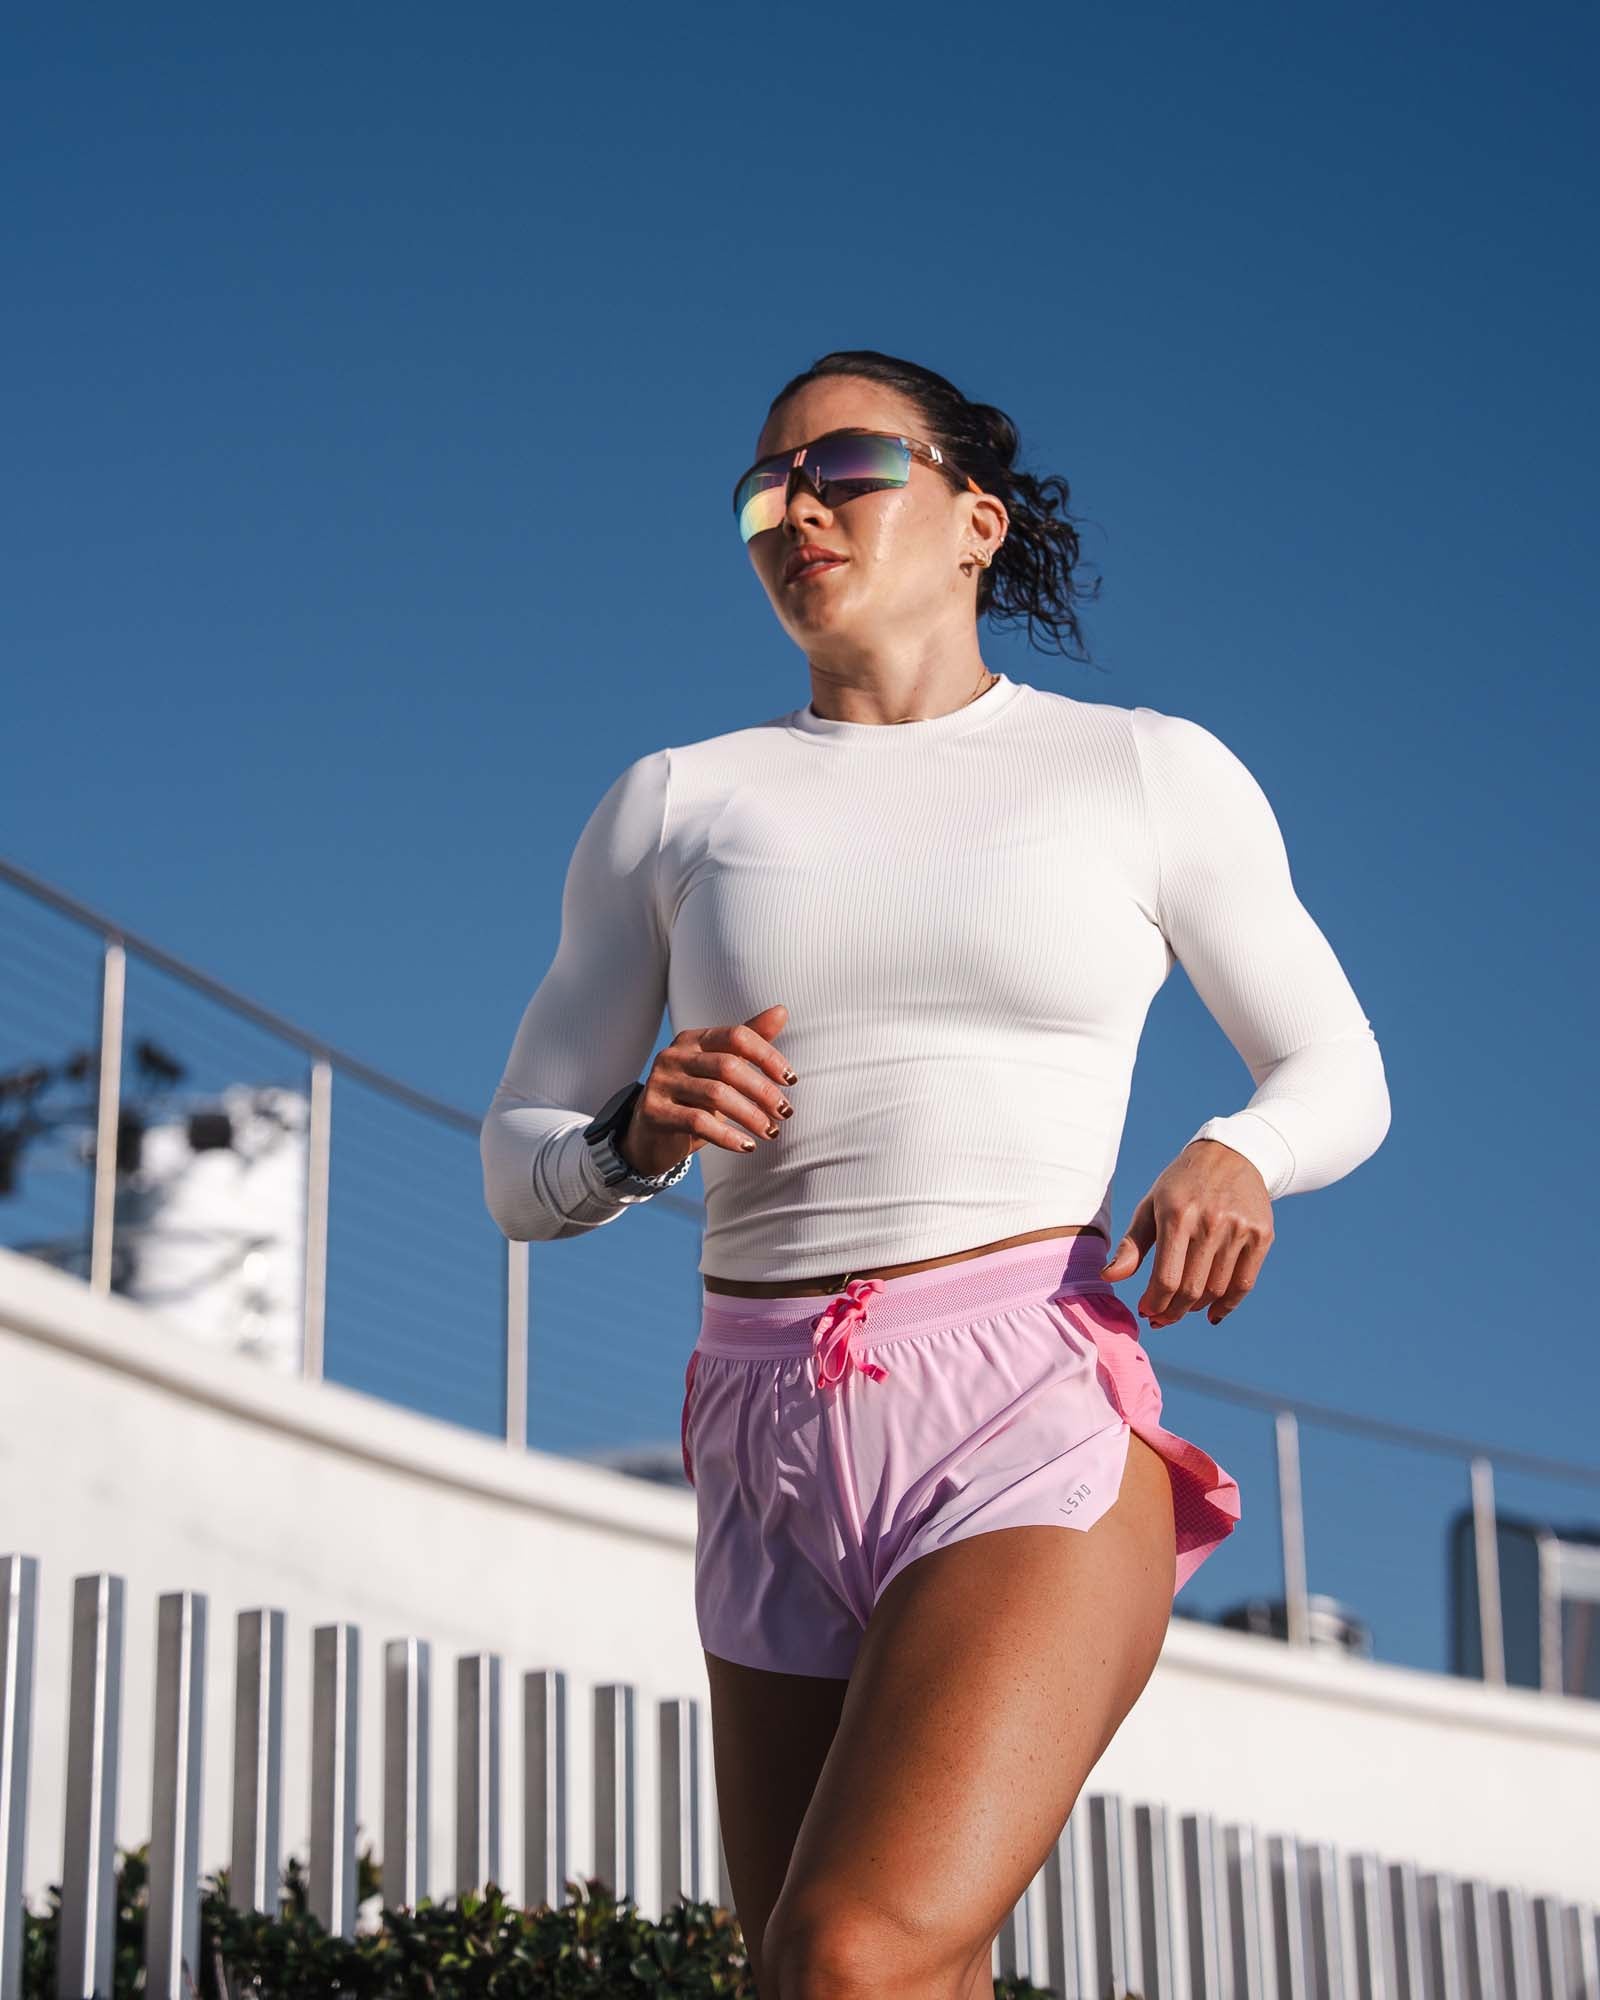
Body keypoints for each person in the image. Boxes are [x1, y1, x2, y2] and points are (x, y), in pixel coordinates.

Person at [480, 348, 1390, 2000]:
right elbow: (516, 1160)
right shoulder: (677, 802)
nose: (795, 507)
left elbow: (1338, 1066)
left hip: (1020, 1403)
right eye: (764, 488)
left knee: (852, 1956)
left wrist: (1237, 1151)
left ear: (976, 518)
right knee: (847, 1977)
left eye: (841, 464)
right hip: (759, 1426)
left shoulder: (1137, 768)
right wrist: (633, 1135)